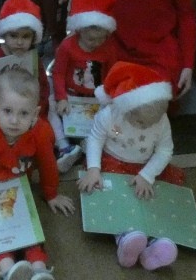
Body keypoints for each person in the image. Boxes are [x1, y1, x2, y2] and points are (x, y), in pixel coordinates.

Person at [0, 68, 75, 280]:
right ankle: (8, 271)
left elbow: (48, 164)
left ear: (35, 114)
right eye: (8, 111)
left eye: (23, 114)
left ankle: (39, 269)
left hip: (20, 190)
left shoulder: (41, 131)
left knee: (29, 230)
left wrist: (51, 193)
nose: (14, 121)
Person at [78, 62, 183, 272]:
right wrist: (93, 169)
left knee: (152, 197)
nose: (147, 127)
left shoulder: (160, 120)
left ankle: (155, 243)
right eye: (141, 122)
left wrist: (147, 175)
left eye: (153, 122)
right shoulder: (111, 114)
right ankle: (124, 238)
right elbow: (95, 138)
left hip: (144, 166)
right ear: (126, 109)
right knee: (111, 196)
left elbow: (164, 150)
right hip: (112, 162)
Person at [50, 0, 122, 174]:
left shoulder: (109, 48)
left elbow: (112, 74)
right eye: (91, 39)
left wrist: (109, 97)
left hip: (96, 98)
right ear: (80, 30)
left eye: (101, 39)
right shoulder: (67, 46)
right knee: (49, 106)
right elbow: (58, 73)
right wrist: (61, 98)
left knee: (114, 114)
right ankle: (64, 146)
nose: (95, 43)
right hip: (71, 95)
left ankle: (94, 145)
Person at [0, 0, 50, 120]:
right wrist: (0, 114)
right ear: (4, 35)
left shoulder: (33, 59)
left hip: (29, 111)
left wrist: (37, 112)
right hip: (1, 112)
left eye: (26, 36)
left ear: (33, 38)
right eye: (13, 36)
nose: (20, 42)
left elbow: (43, 87)